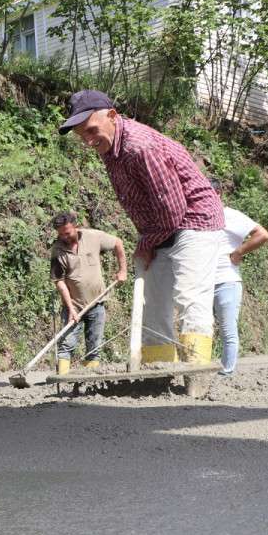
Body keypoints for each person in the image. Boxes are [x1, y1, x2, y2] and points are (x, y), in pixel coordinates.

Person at [60, 90, 224, 370]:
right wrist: (148, 240)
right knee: (151, 302)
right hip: (158, 228)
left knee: (189, 296)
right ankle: (158, 374)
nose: (87, 141)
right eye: (80, 135)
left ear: (112, 115)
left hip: (194, 221)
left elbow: (172, 208)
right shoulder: (110, 148)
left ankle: (196, 376)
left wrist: (147, 244)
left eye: (91, 130)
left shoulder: (139, 146)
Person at [49, 211, 127, 374]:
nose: (65, 237)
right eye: (61, 234)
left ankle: (89, 382)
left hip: (97, 302)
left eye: (67, 232)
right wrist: (70, 308)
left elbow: (118, 243)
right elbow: (60, 282)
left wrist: (123, 271)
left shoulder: (94, 237)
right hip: (74, 307)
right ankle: (63, 380)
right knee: (66, 345)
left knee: (95, 345)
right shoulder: (58, 250)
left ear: (75, 226)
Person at [214, 206, 268, 375]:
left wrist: (239, 252)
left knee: (227, 329)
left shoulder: (230, 215)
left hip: (226, 280)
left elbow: (262, 234)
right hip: (202, 282)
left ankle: (227, 371)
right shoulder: (197, 214)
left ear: (218, 194)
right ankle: (199, 372)